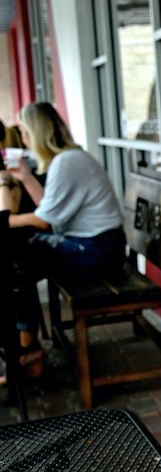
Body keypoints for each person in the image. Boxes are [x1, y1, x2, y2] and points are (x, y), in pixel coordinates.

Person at [0, 102, 126, 379]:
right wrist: (26, 177)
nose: (22, 138)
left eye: (24, 130)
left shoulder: (67, 162)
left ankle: (27, 347)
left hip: (98, 250)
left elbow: (43, 221)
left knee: (17, 262)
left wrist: (3, 220)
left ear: (36, 131)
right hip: (99, 245)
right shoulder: (68, 158)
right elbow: (48, 210)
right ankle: (27, 344)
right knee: (17, 261)